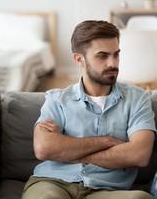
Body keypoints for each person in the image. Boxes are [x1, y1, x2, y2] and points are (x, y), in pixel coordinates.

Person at [22, 20, 156, 199]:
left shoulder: (138, 99)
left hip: (106, 190)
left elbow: (139, 155)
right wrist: (108, 141)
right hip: (53, 182)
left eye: (116, 55)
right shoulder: (57, 99)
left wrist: (69, 152)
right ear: (79, 59)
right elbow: (44, 149)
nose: (113, 63)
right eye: (102, 56)